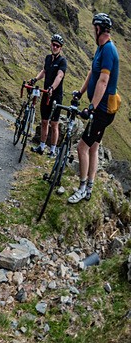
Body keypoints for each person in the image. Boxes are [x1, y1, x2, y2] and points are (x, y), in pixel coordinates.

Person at [68, 13, 121, 204]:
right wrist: (81, 92)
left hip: (103, 110)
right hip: (100, 108)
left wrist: (92, 108)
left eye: (93, 28)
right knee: (94, 148)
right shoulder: (101, 48)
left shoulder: (108, 50)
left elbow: (104, 80)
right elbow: (92, 72)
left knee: (82, 148)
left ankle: (82, 189)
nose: (93, 31)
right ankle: (89, 186)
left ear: (98, 29)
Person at [29, 34, 67, 157]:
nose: (55, 47)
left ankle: (52, 150)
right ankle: (41, 146)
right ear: (51, 45)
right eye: (53, 44)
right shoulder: (47, 58)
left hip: (56, 96)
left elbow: (60, 76)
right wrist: (35, 79)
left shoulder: (62, 61)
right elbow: (44, 71)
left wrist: (52, 87)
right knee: (44, 121)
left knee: (54, 124)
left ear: (60, 48)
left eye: (58, 46)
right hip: (46, 94)